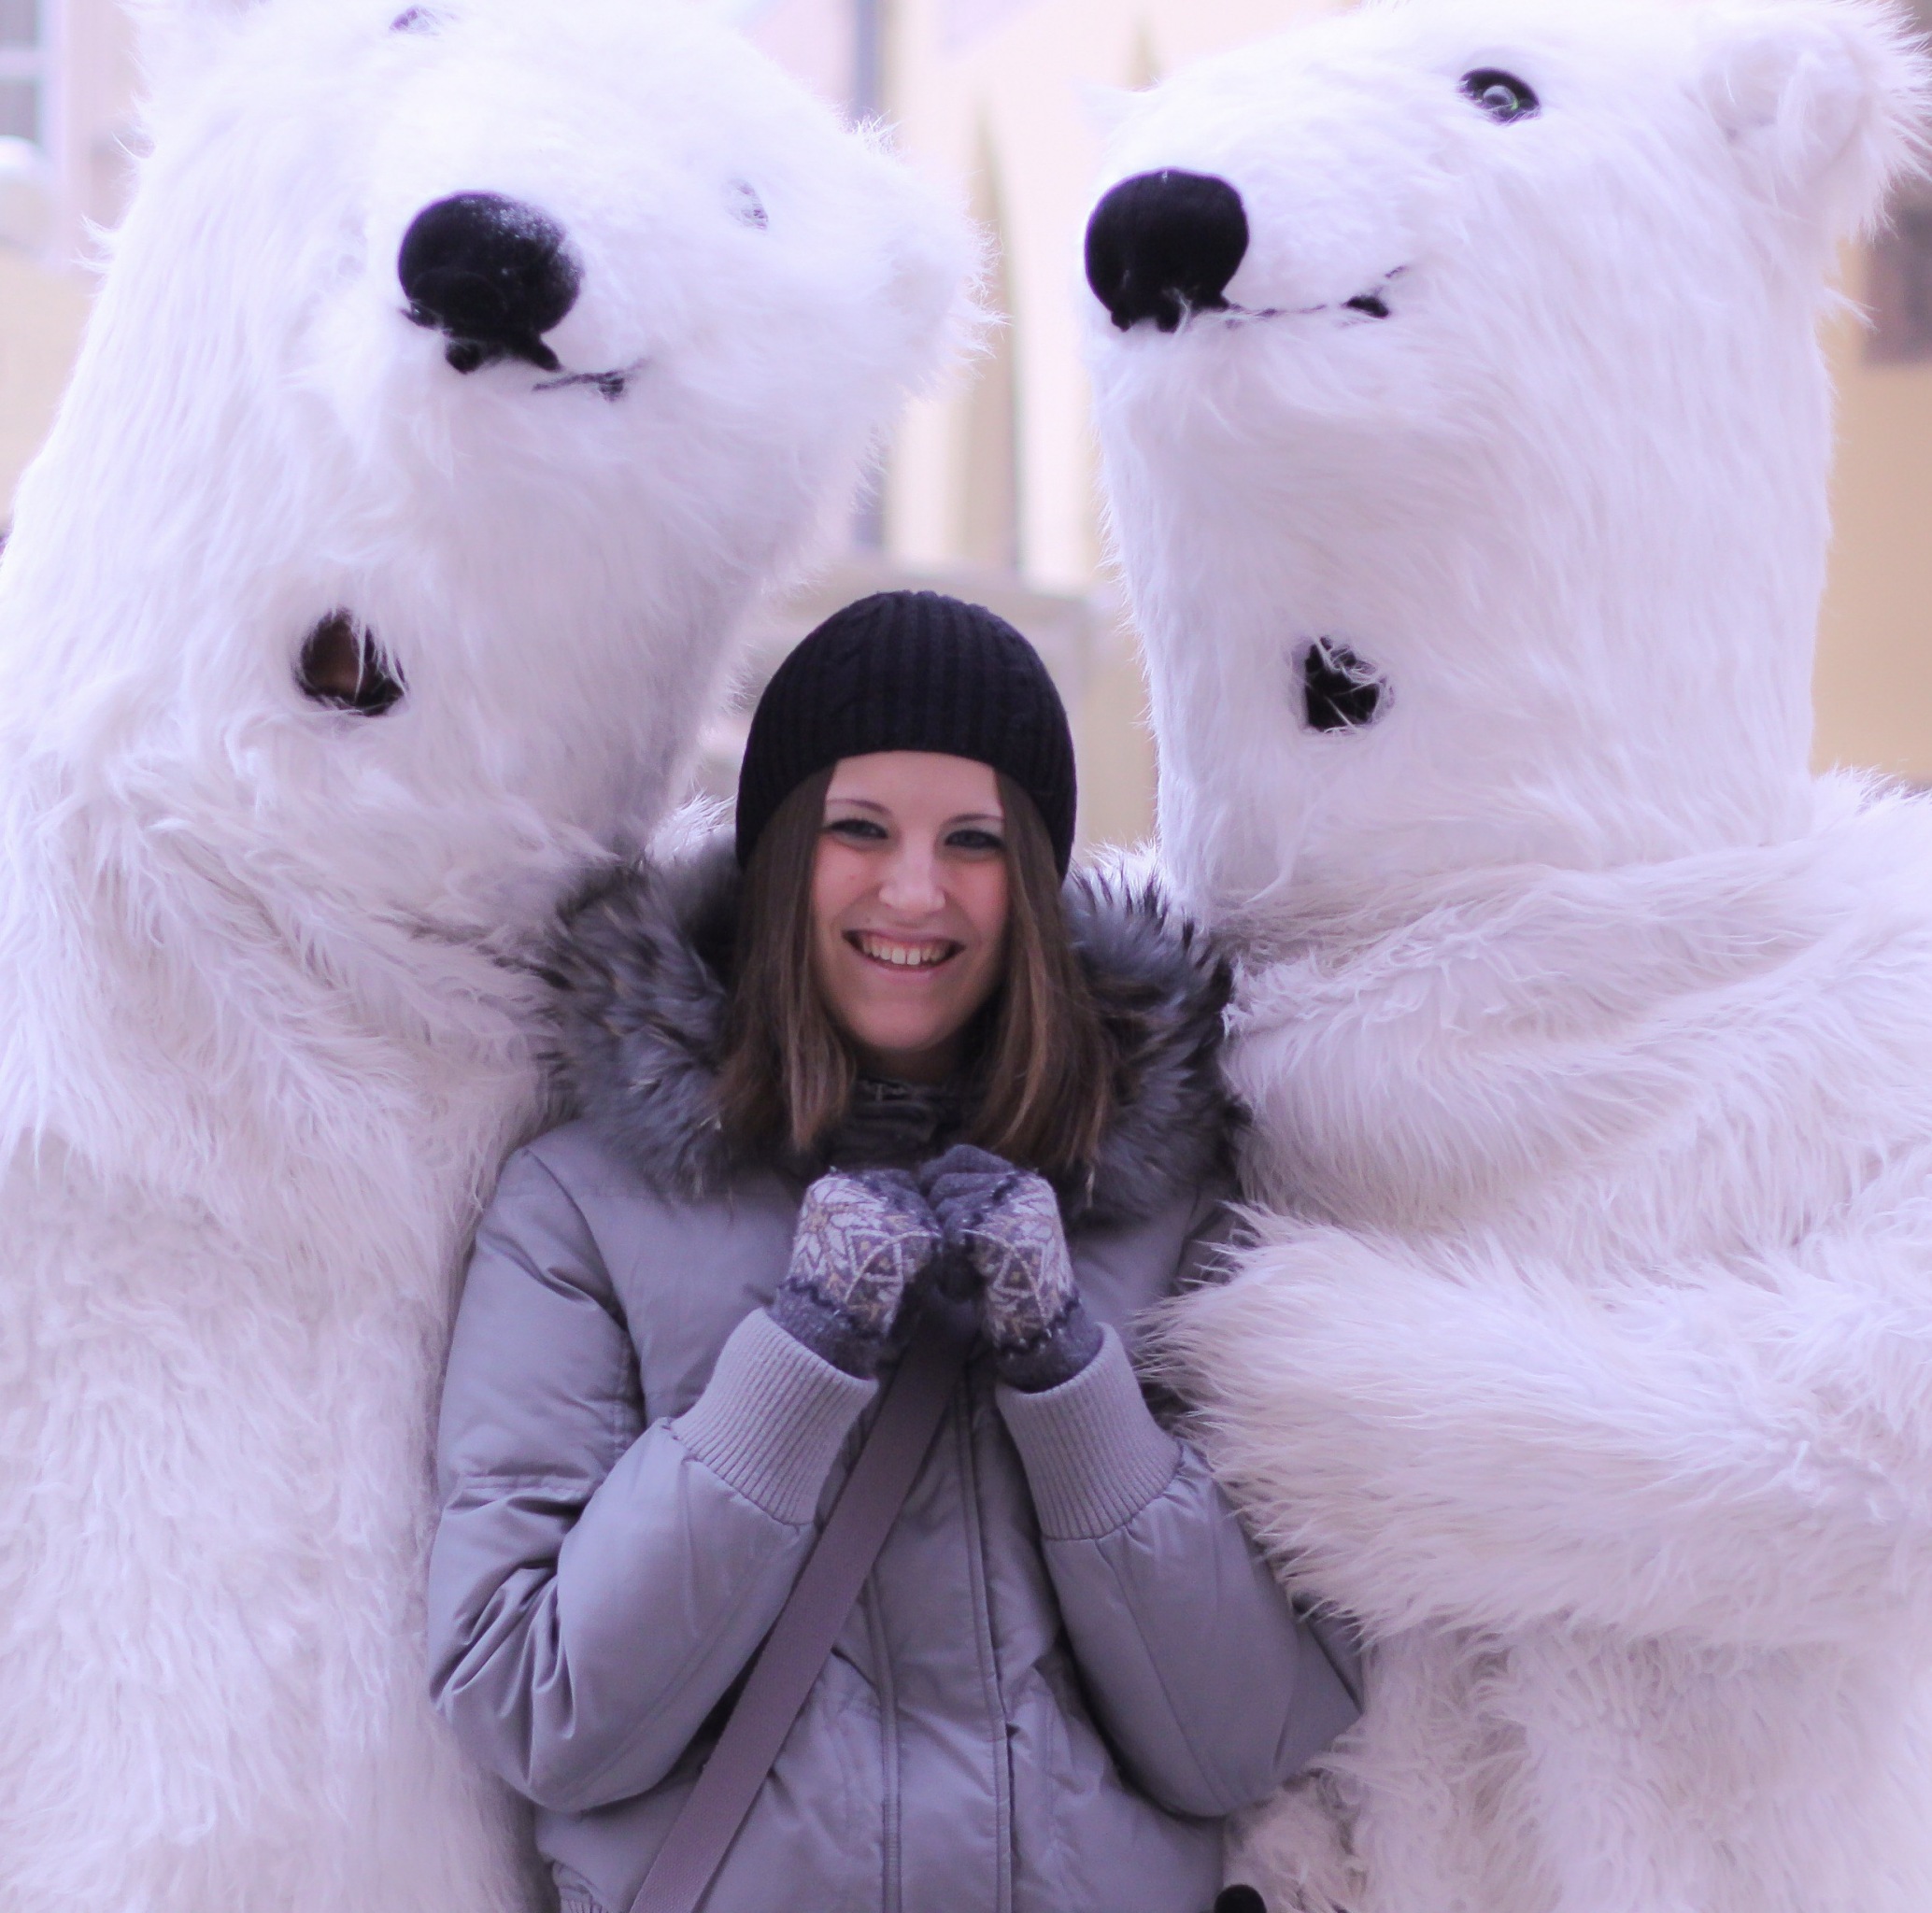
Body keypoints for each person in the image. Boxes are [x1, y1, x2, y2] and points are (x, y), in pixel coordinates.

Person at [425, 591, 1357, 1913]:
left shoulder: (1168, 1211)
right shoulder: (582, 1210)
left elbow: (1245, 1742)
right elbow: (536, 1707)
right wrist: (793, 1364)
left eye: (974, 840)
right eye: (858, 828)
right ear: (780, 852)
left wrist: (1069, 1377)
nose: (915, 890)